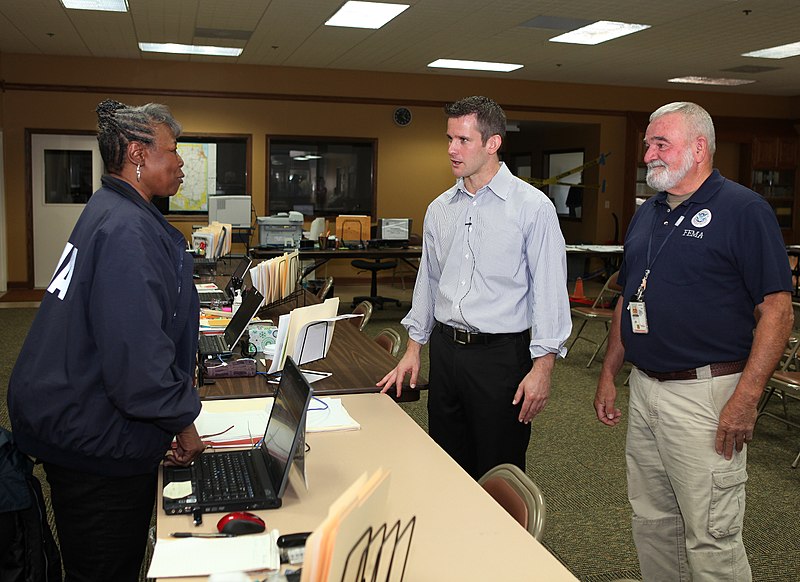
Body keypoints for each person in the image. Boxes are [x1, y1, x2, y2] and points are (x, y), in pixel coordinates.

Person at [594, 102, 793, 581]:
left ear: (699, 147)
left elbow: (778, 311)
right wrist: (608, 374)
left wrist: (746, 399)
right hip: (646, 390)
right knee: (653, 522)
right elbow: (629, 299)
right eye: (647, 144)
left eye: (660, 144)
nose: (648, 154)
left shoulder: (744, 210)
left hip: (707, 396)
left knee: (711, 536)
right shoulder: (650, 212)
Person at [7, 99, 205, 581]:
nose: (180, 163)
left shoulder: (111, 207)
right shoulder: (126, 229)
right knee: (104, 567)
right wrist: (182, 422)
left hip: (78, 415)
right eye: (172, 150)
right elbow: (136, 361)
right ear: (138, 153)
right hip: (95, 441)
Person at [378, 96, 572, 480]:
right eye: (449, 138)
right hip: (447, 353)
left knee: (498, 468)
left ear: (492, 143)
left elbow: (550, 292)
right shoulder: (440, 208)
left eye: (463, 140)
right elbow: (428, 283)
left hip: (500, 358)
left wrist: (543, 368)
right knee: (447, 465)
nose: (451, 149)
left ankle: (501, 541)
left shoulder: (532, 208)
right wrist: (414, 348)